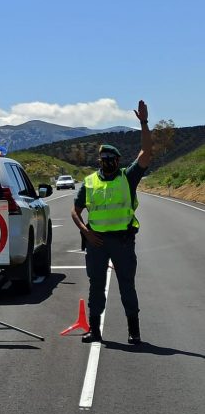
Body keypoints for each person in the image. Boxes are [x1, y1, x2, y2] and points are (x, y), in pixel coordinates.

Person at [70, 100, 152, 344]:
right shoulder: (89, 182)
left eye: (111, 158)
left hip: (123, 241)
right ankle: (94, 330)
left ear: (118, 160)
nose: (107, 161)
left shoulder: (128, 177)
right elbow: (75, 210)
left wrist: (144, 123)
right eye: (103, 157)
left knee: (127, 285)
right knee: (96, 286)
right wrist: (85, 232)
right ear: (99, 161)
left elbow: (146, 154)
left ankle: (134, 331)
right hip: (96, 242)